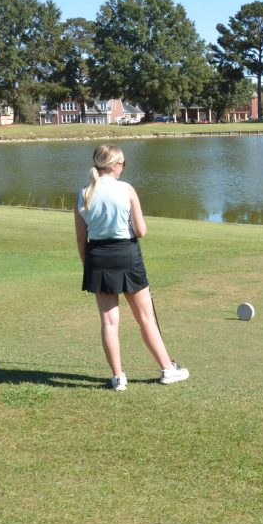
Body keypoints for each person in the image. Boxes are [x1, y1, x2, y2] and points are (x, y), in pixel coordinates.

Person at [74, 144, 189, 389]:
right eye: (123, 163)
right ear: (115, 165)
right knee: (145, 318)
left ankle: (118, 378)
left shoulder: (83, 193)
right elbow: (141, 231)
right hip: (126, 254)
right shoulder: (126, 189)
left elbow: (81, 238)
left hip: (97, 258)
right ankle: (168, 369)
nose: (124, 167)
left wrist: (89, 266)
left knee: (109, 322)